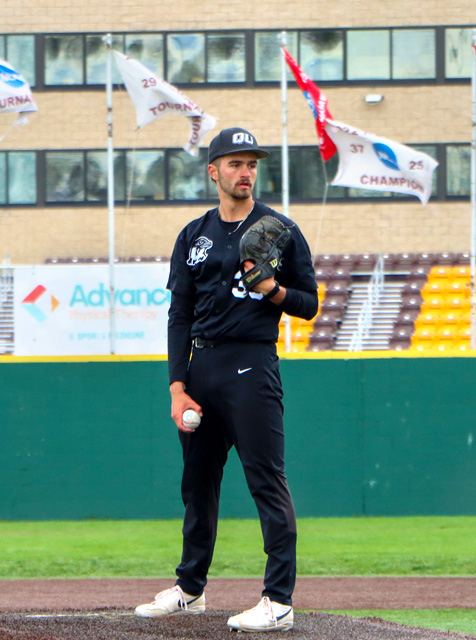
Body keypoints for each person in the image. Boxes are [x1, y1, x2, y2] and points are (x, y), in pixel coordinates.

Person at [135, 127, 318, 632]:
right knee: (197, 485)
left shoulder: (279, 229)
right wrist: (177, 386)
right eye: (235, 163)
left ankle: (278, 599)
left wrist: (273, 290)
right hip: (202, 369)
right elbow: (179, 314)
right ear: (213, 171)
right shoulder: (194, 235)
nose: (246, 172)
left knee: (266, 482)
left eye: (252, 164)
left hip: (252, 366)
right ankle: (189, 588)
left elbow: (310, 303)